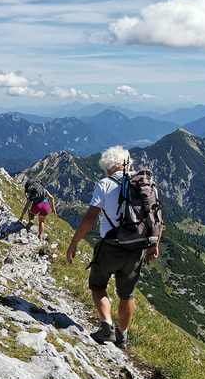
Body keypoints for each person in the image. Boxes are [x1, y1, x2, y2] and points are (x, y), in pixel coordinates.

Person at [66, 146, 162, 348]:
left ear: (108, 167)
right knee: (128, 294)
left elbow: (90, 218)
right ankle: (123, 336)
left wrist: (73, 243)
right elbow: (156, 217)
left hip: (109, 246)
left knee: (98, 285)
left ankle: (107, 327)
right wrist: (154, 245)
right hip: (136, 248)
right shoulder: (146, 185)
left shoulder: (106, 184)